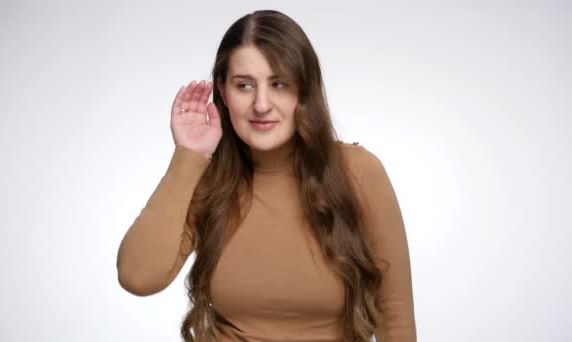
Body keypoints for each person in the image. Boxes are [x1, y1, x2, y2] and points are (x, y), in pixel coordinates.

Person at [116, 9, 416, 342]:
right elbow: (137, 276)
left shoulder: (357, 172)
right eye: (244, 85)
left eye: (278, 84)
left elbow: (395, 313)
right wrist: (188, 155)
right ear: (223, 92)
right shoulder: (210, 181)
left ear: (302, 90)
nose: (261, 104)